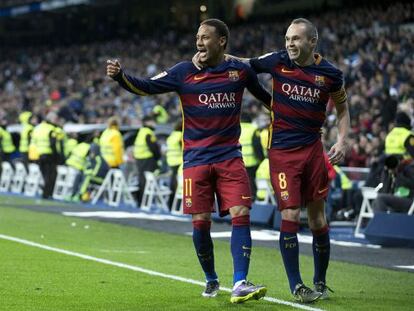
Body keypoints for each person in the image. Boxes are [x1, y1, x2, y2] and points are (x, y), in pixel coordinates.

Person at [107, 18, 271, 303]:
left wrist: (299, 120)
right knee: (200, 221)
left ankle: (240, 281)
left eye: (205, 37)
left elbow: (268, 99)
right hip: (195, 160)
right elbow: (147, 86)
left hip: (230, 156)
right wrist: (121, 77)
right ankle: (211, 279)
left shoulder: (240, 72)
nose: (198, 42)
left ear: (222, 41)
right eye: (197, 37)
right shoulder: (183, 71)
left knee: (240, 212)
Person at [194, 18, 350, 302]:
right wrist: (208, 55)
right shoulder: (276, 61)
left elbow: (342, 108)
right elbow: (245, 62)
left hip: (314, 149)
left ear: (312, 42)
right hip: (282, 152)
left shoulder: (330, 74)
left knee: (317, 218)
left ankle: (321, 280)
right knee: (289, 214)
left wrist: (342, 140)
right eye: (287, 39)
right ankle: (297, 286)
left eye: (296, 39)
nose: (290, 44)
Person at [133, 115, 161, 205]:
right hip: (147, 159)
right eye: (152, 121)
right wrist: (158, 157)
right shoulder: (148, 132)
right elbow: (154, 148)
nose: (154, 123)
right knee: (148, 180)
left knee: (141, 180)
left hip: (139, 159)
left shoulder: (141, 131)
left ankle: (140, 200)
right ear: (147, 122)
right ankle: (146, 201)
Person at [31, 112, 59, 199]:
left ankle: (45, 191)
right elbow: (53, 144)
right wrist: (58, 156)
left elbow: (33, 142)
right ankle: (47, 194)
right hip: (48, 154)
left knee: (44, 174)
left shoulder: (37, 128)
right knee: (51, 174)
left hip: (38, 154)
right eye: (55, 119)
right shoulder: (51, 129)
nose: (56, 121)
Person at [240, 112, 264, 200]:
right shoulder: (253, 129)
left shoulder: (236, 128)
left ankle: (244, 197)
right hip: (252, 161)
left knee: (242, 181)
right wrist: (261, 159)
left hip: (239, 161)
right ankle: (253, 197)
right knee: (252, 180)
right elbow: (257, 145)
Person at [166, 119, 183, 209]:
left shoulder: (172, 135)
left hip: (171, 162)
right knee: (179, 185)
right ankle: (177, 206)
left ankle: (171, 204)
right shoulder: (180, 136)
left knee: (173, 184)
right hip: (179, 162)